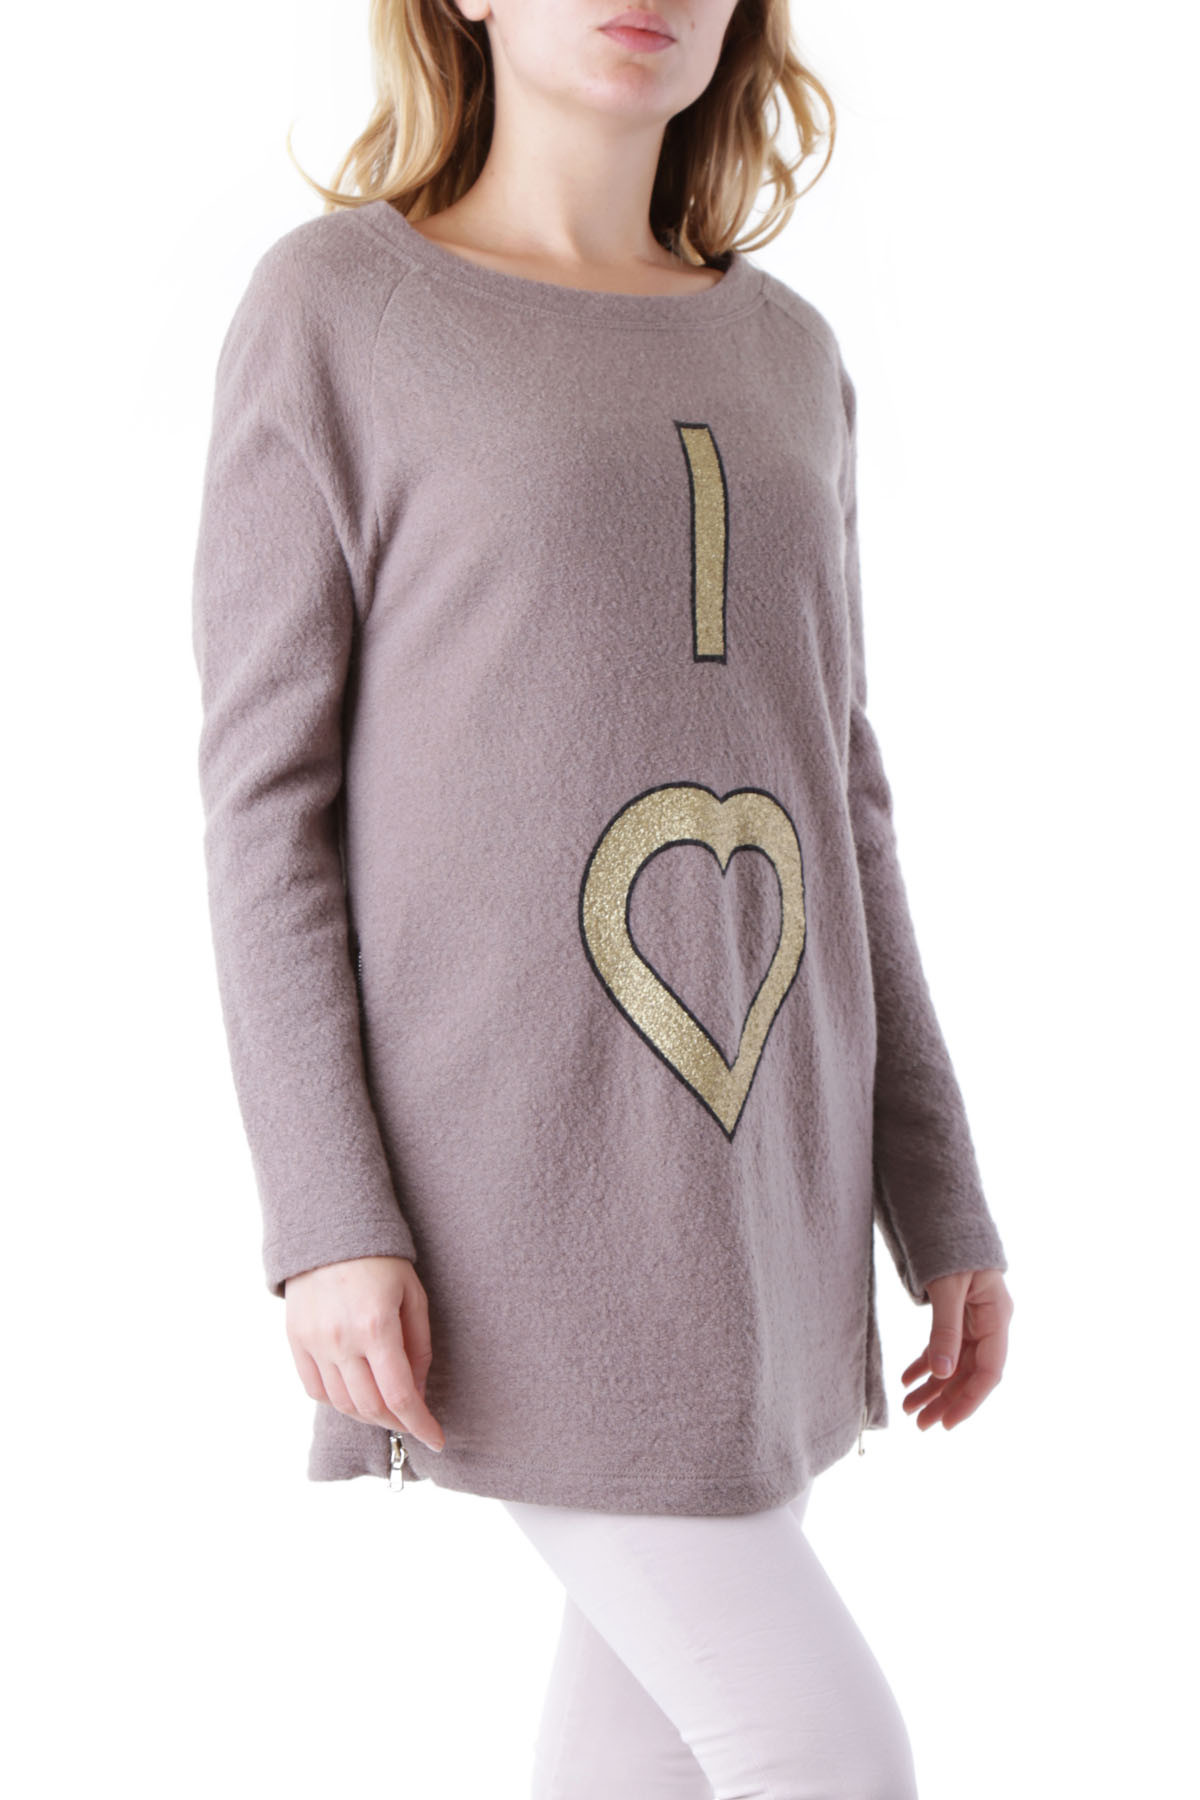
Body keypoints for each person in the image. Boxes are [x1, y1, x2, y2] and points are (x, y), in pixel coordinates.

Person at [191, 2, 1015, 1793]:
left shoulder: (790, 354)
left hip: (764, 1182)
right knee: (825, 1749)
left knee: (641, 1763)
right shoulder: (340, 312)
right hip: (508, 1185)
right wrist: (324, 1212)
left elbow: (842, 794)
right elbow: (265, 808)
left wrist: (938, 1195)